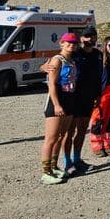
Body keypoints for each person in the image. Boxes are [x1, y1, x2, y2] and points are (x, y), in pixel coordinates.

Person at [40, 33, 79, 184]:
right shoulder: (57, 60)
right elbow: (51, 84)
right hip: (57, 101)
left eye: (74, 43)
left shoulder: (72, 61)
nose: (71, 45)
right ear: (61, 43)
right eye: (68, 42)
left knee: (61, 136)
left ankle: (54, 166)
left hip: (69, 100)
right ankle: (45, 172)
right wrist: (56, 104)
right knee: (51, 138)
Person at [65, 26, 102, 175]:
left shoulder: (98, 54)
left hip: (89, 98)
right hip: (73, 97)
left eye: (93, 36)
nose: (90, 39)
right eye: (87, 36)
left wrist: (98, 95)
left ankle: (77, 159)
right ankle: (67, 162)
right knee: (69, 132)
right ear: (81, 38)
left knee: (82, 130)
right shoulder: (74, 53)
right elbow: (56, 64)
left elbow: (99, 76)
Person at [89, 35, 110, 157]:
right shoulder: (99, 59)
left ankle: (106, 145)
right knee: (98, 119)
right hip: (102, 92)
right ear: (105, 45)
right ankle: (97, 146)